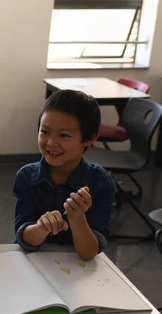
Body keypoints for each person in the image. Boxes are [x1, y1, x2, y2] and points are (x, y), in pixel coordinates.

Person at [14, 90, 116, 261]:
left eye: (64, 135)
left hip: (79, 272)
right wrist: (41, 227)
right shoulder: (26, 177)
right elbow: (23, 239)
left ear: (90, 138)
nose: (51, 142)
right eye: (44, 131)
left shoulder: (100, 182)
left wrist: (77, 217)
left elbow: (89, 253)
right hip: (34, 266)